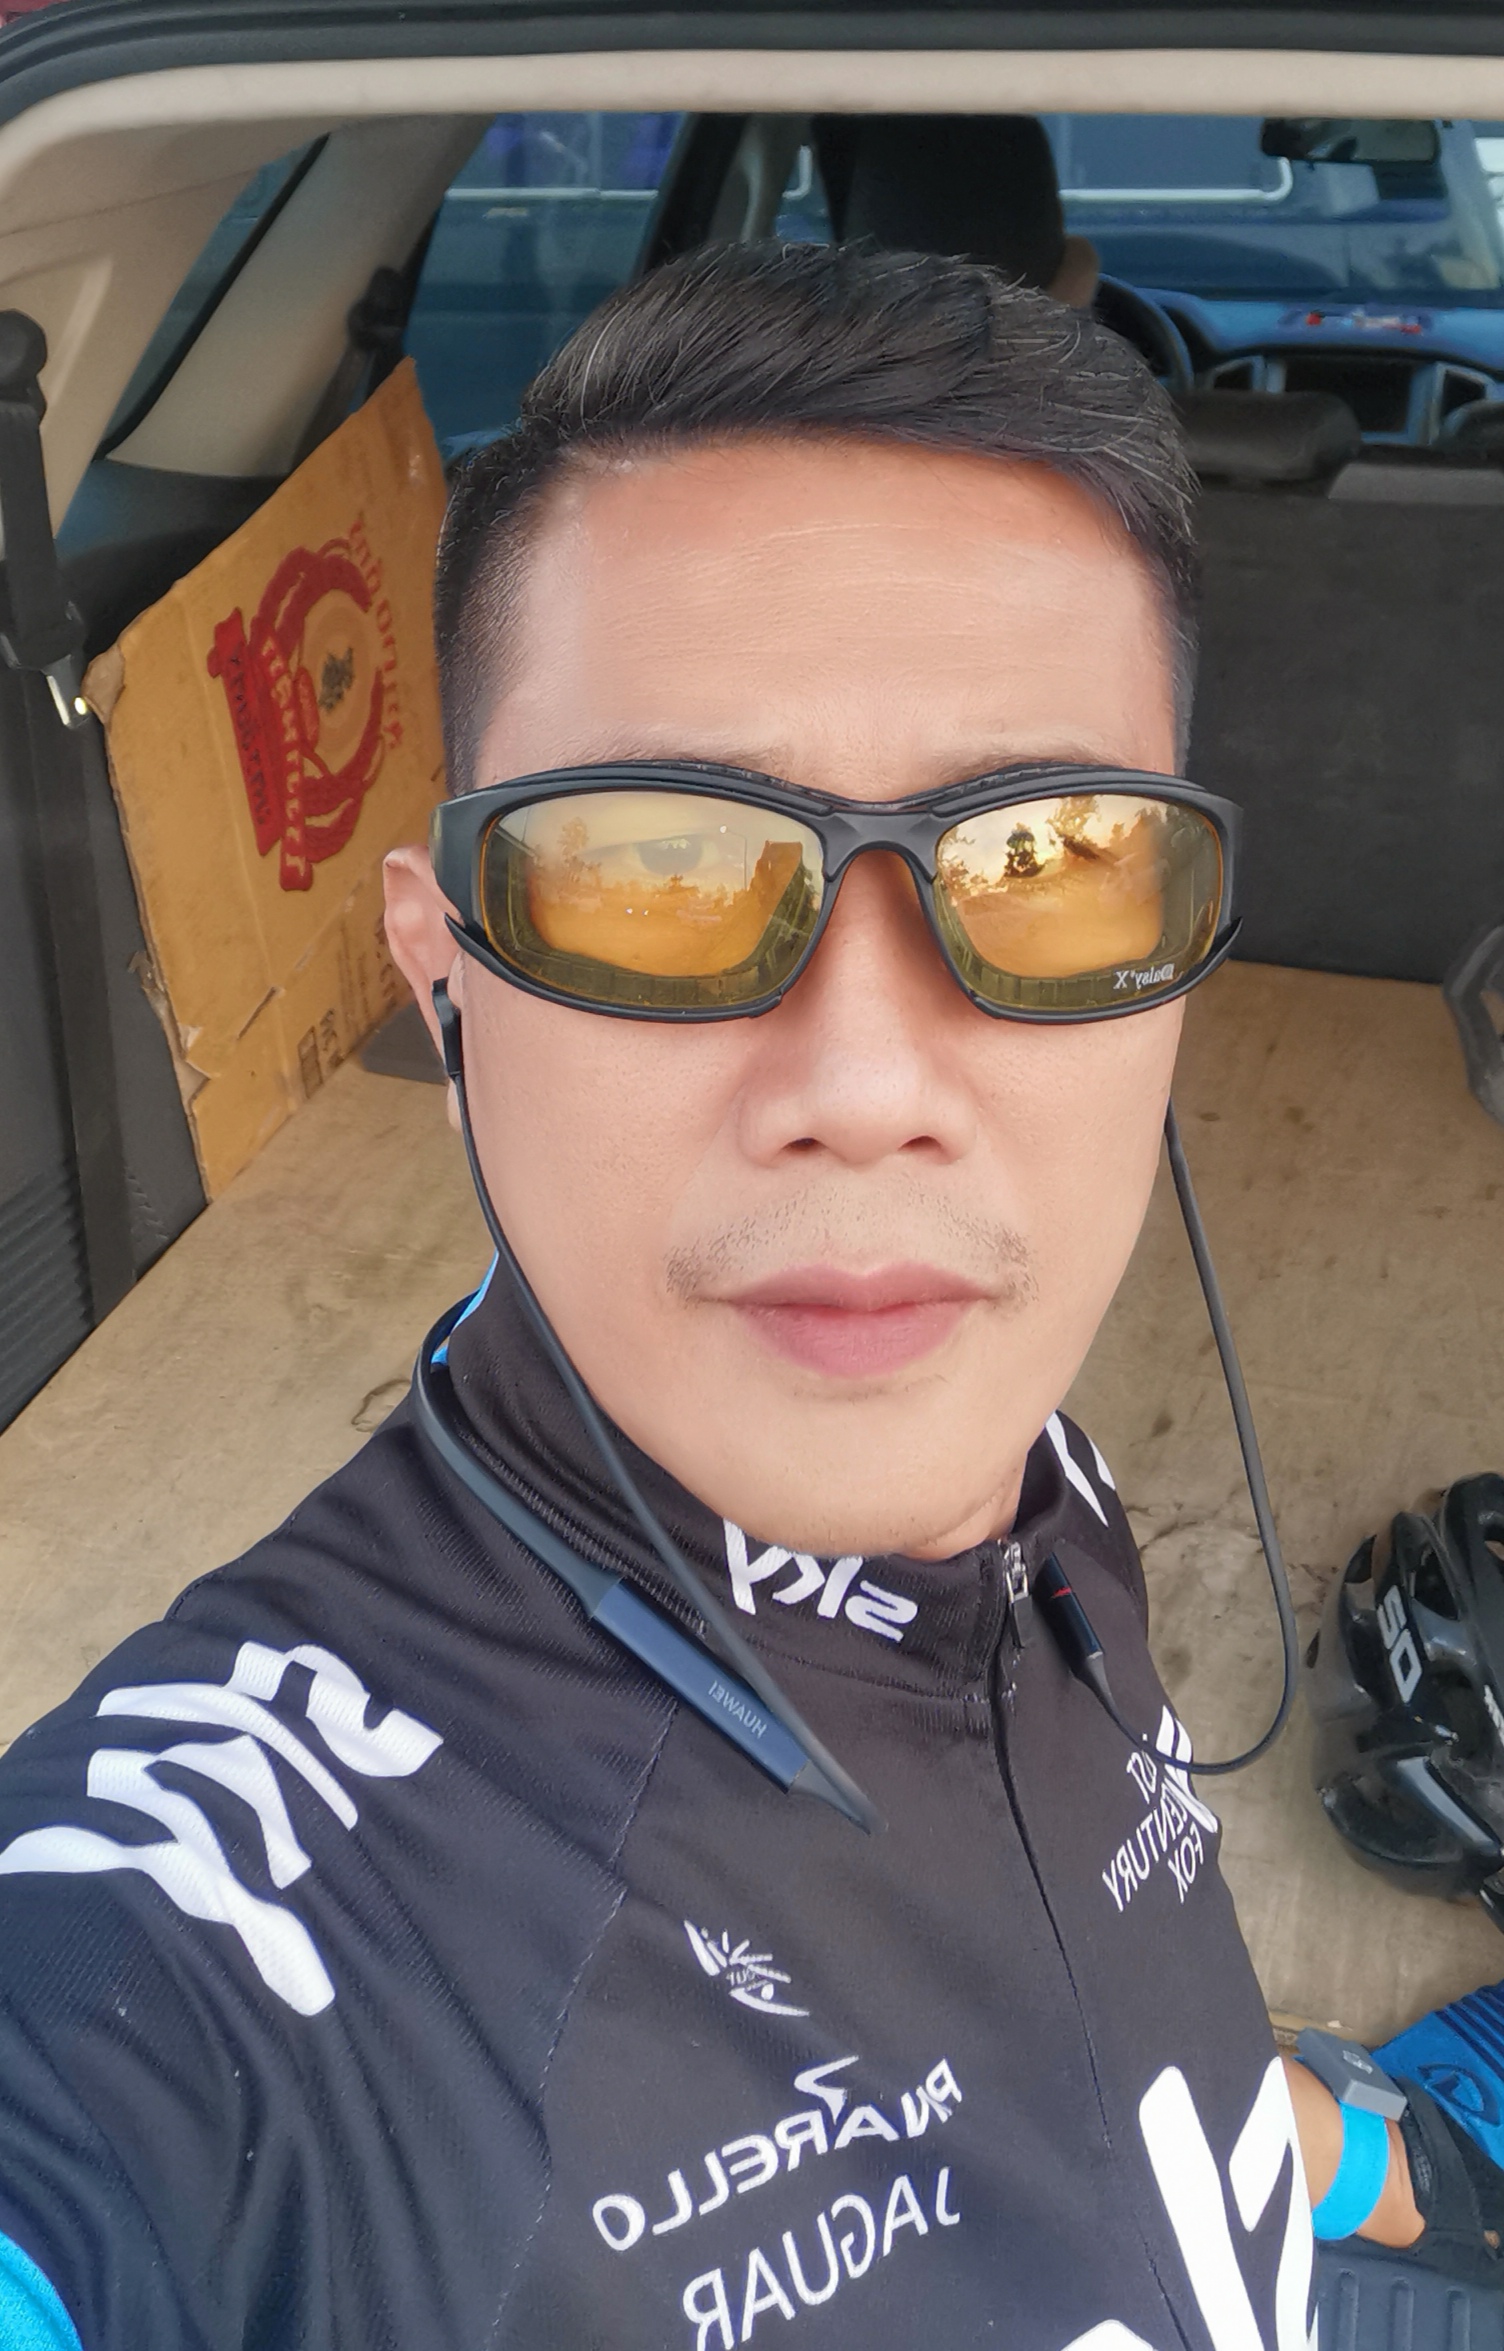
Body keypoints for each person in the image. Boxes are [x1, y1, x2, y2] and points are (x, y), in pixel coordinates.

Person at [0, 238, 1491, 2351]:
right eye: (654, 872)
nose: (865, 1090)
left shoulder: (1029, 1484)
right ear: (443, 975)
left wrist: (1347, 2158)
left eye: (1051, 863)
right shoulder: (201, 1981)